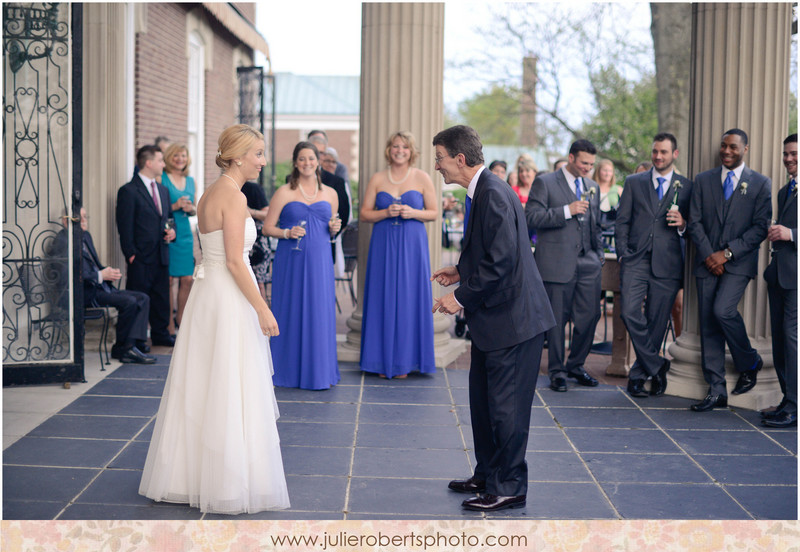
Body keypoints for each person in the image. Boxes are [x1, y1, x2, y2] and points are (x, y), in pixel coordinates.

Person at [139, 124, 289, 514]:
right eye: (257, 153)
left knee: (204, 383)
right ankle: (225, 481)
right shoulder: (234, 198)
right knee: (230, 382)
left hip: (209, 294)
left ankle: (189, 476)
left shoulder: (209, 192)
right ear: (238, 155)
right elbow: (237, 262)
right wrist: (262, 306)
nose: (262, 160)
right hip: (228, 295)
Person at [431, 125, 555, 512]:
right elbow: (490, 251)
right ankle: (487, 474)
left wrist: (460, 296)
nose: (437, 166)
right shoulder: (483, 190)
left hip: (514, 323)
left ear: (460, 159)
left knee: (507, 410)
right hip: (495, 321)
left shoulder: (494, 194)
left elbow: (501, 261)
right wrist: (460, 270)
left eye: (440, 158)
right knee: (485, 404)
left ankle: (510, 486)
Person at [687, 128, 771, 412]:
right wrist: (710, 254)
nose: (726, 151)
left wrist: (727, 253)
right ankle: (716, 390)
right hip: (706, 259)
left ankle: (749, 361)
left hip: (738, 262)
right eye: (723, 146)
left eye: (733, 147)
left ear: (744, 149)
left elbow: (760, 227)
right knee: (709, 324)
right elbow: (694, 221)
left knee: (722, 310)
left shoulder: (759, 183)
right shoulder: (703, 180)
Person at [615, 133, 692, 398]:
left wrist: (683, 224)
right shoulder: (634, 182)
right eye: (655, 151)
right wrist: (623, 252)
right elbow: (622, 220)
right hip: (636, 259)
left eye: (664, 152)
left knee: (657, 323)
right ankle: (658, 365)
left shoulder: (687, 186)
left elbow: (695, 226)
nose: (658, 156)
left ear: (675, 154)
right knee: (628, 311)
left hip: (668, 264)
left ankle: (639, 376)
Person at [525, 139, 603, 392]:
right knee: (556, 321)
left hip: (588, 263)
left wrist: (598, 255)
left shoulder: (592, 186)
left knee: (590, 317)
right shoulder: (545, 182)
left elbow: (596, 224)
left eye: (591, 164)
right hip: (556, 263)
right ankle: (557, 371)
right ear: (571, 158)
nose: (588, 169)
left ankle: (576, 365)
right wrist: (566, 211)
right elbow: (532, 217)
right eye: (583, 163)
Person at [262, 141, 341, 390]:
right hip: (291, 259)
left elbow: (331, 226)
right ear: (295, 163)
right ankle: (285, 370)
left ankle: (318, 371)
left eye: (311, 158)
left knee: (319, 311)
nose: (307, 163)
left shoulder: (330, 193)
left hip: (320, 260)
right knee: (290, 309)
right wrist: (286, 233)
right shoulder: (284, 192)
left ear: (318, 161)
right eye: (302, 159)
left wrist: (334, 228)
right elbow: (267, 228)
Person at [359, 131, 437, 379]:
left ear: (411, 151)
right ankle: (381, 361)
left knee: (408, 296)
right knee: (382, 295)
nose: (399, 150)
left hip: (413, 244)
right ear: (388, 149)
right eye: (395, 146)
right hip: (383, 242)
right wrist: (385, 212)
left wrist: (413, 212)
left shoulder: (422, 177)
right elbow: (364, 214)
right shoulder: (378, 178)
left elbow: (434, 213)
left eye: (404, 146)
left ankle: (405, 361)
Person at [52, 208, 155, 364]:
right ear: (66, 221)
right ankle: (126, 349)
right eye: (81, 218)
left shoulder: (85, 236)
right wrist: (100, 276)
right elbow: (68, 275)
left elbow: (95, 265)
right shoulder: (62, 241)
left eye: (86, 217)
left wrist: (108, 272)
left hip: (98, 287)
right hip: (82, 293)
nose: (85, 220)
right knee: (130, 302)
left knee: (143, 298)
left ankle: (126, 346)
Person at [116, 145, 176, 348]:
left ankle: (161, 335)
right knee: (140, 298)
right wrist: (130, 254)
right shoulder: (128, 191)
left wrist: (172, 232)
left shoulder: (163, 190)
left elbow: (168, 218)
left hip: (161, 254)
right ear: (149, 163)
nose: (163, 164)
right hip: (140, 257)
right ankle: (137, 340)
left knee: (161, 298)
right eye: (160, 160)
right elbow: (124, 225)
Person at [761, 134, 797, 428]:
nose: (789, 159)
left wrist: (792, 234)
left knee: (792, 337)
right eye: (786, 154)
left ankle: (795, 406)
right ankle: (787, 399)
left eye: (794, 154)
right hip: (779, 275)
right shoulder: (785, 191)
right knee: (780, 338)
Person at [161, 144, 196, 334]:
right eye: (176, 155)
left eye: (183, 155)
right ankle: (168, 323)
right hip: (168, 232)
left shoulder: (191, 181)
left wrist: (191, 209)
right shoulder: (162, 178)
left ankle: (181, 317)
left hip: (185, 234)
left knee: (187, 279)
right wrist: (175, 205)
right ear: (169, 157)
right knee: (168, 280)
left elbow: (195, 208)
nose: (180, 159)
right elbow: (158, 207)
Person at [241, 180, 271, 302]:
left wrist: (248, 211)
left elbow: (267, 214)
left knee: (258, 283)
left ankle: (262, 318)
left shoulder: (253, 188)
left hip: (257, 244)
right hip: (235, 240)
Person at [594, 159, 623, 231]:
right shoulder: (592, 188)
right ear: (598, 171)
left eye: (610, 171)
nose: (607, 173)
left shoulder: (618, 190)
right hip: (594, 226)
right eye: (605, 170)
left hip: (612, 228)